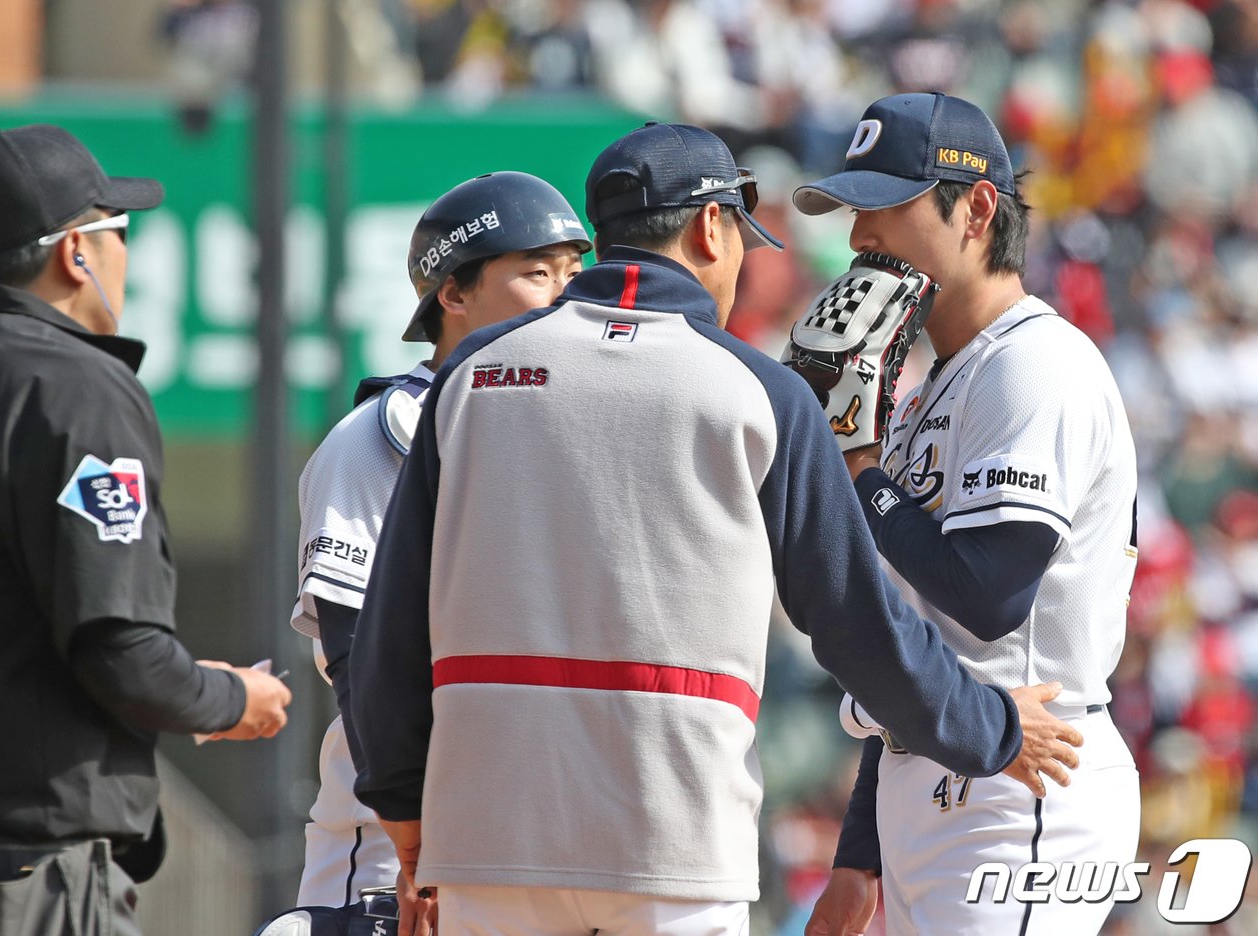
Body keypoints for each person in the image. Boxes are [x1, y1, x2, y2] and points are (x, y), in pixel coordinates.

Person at [344, 121, 1084, 936]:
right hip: (677, 841)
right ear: (708, 228)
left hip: (490, 838)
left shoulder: (469, 376)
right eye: (740, 233)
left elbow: (390, 630)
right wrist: (994, 729)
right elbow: (858, 627)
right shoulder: (759, 391)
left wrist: (408, 819)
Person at [0, 124, 292, 936]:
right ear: (75, 253)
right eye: (116, 233)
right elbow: (122, 653)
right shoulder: (74, 386)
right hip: (16, 871)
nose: (127, 256)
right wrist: (232, 697)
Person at [793, 93, 1140, 936]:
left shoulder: (1035, 363)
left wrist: (858, 469)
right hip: (941, 778)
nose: (857, 237)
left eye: (884, 206)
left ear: (976, 207)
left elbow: (986, 595)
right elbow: (918, 643)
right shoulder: (935, 387)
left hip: (1020, 790)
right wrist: (859, 856)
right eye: (853, 209)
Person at [265, 172, 590, 936]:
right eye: (537, 272)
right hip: (393, 856)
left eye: (574, 272)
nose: (564, 294)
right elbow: (357, 661)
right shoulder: (378, 438)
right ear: (453, 293)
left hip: (535, 851)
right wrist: (419, 839)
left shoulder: (575, 429)